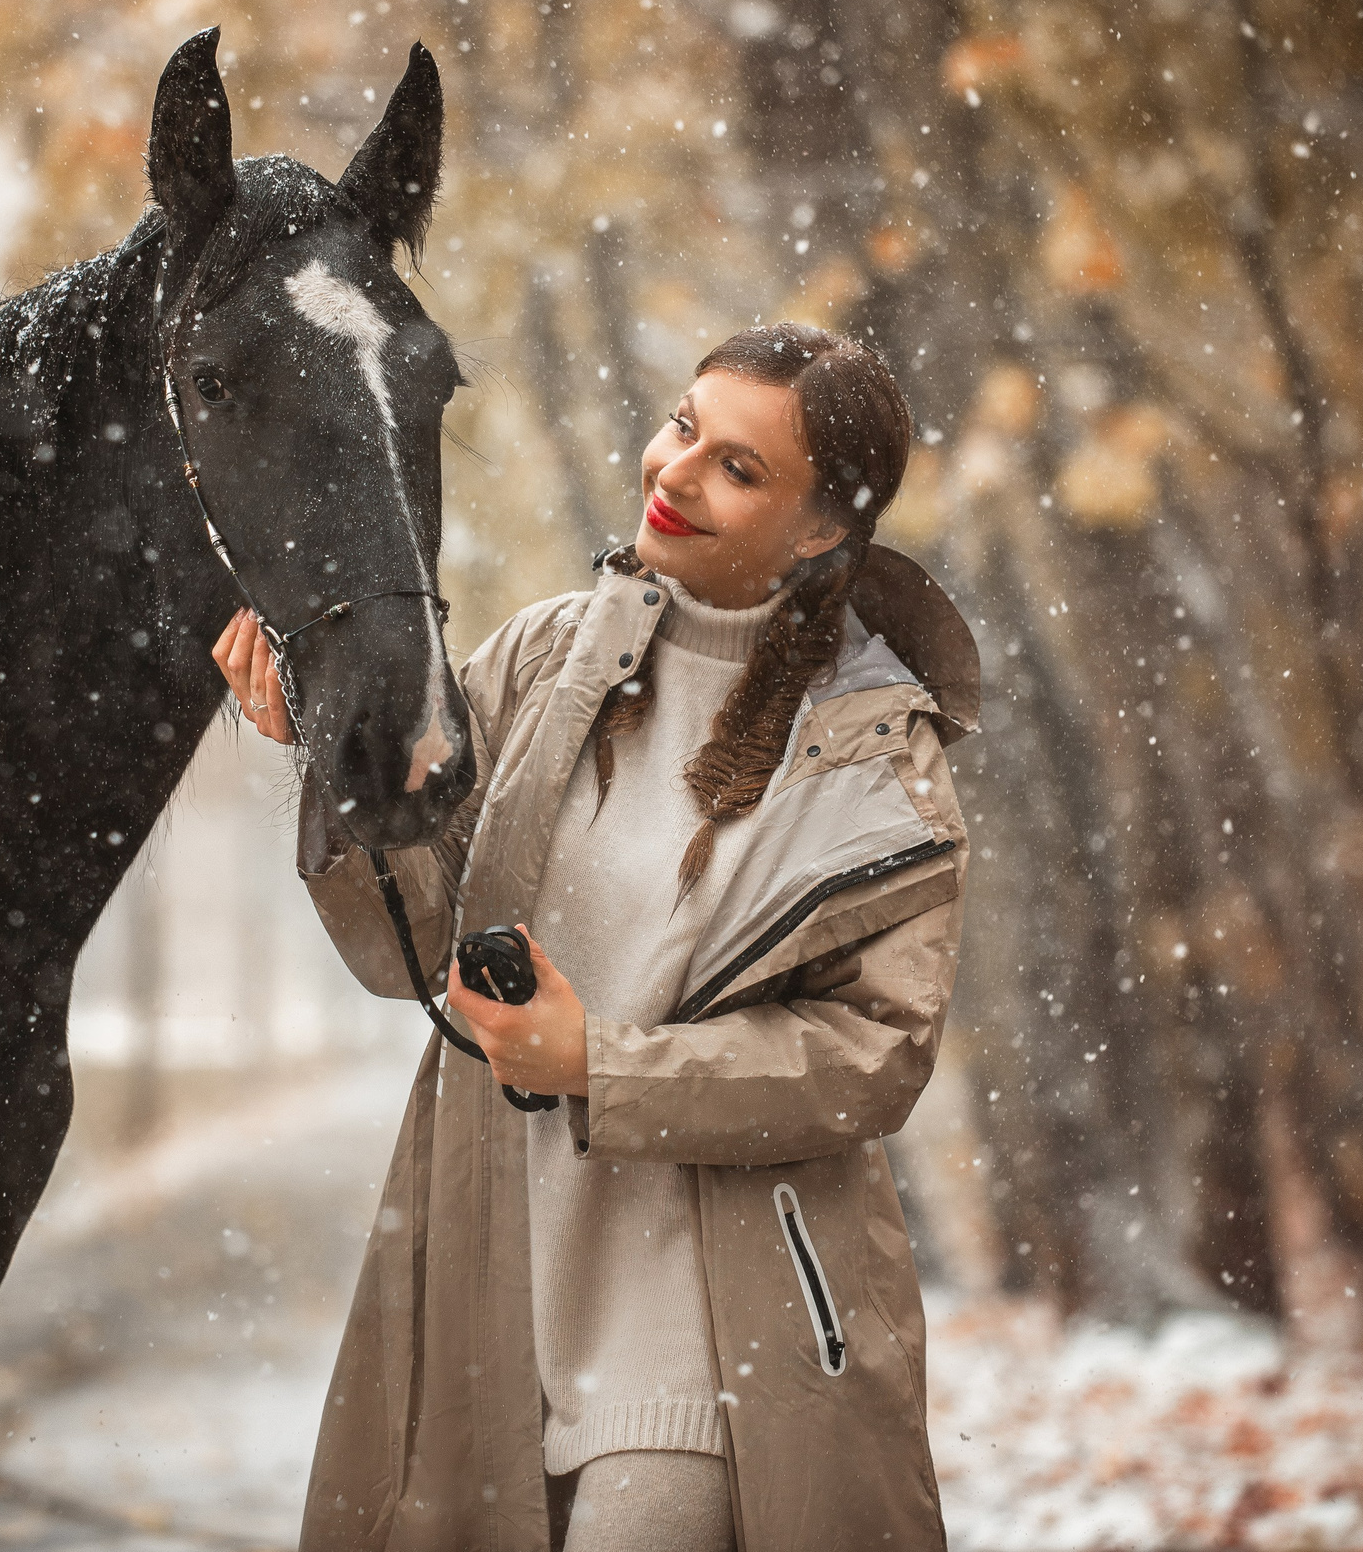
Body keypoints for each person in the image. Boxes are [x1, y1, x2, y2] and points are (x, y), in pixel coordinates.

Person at [212, 321, 980, 1552]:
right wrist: (327, 751)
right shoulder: (539, 660)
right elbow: (409, 940)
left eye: (738, 466)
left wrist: (602, 1065)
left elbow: (869, 1053)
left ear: (824, 527)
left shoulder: (875, 754)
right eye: (682, 425)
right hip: (496, 1287)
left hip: (707, 1339)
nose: (675, 472)